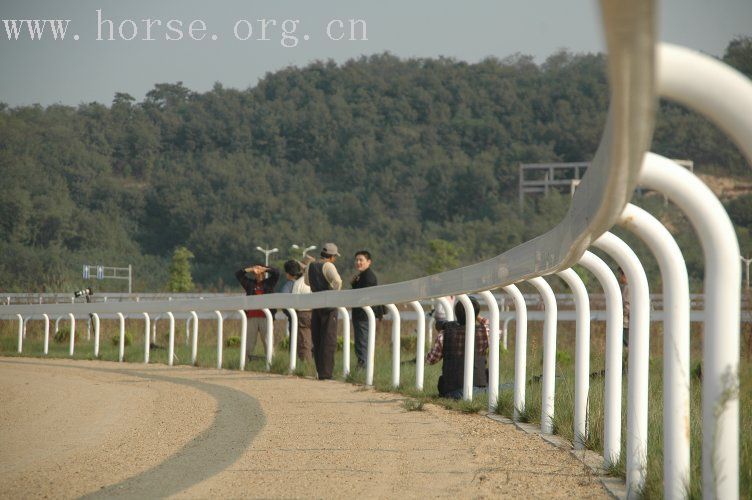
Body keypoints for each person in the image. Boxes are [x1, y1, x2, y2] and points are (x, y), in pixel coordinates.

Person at [425, 296, 489, 399]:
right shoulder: (485, 332)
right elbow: (494, 328)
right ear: (476, 313)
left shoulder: (445, 334)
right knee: (509, 386)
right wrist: (477, 316)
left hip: (452, 392)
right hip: (479, 389)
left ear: (456, 314)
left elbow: (430, 360)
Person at [304, 242, 343, 379]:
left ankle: (320, 371)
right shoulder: (328, 266)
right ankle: (327, 374)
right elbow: (338, 281)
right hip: (329, 307)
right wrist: (334, 295)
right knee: (329, 340)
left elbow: (307, 282)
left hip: (316, 305)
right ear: (331, 256)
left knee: (318, 339)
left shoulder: (310, 265)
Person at [235, 263, 280, 360]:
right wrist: (251, 269)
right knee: (249, 343)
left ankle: (271, 363)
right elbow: (238, 274)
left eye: (260, 273)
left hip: (266, 318)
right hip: (252, 317)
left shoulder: (269, 283)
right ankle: (245, 362)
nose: (258, 275)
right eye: (256, 273)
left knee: (268, 342)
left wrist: (265, 269)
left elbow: (277, 273)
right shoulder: (250, 284)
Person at [350, 250, 379, 369]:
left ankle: (363, 370)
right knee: (360, 343)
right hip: (360, 315)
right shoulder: (362, 276)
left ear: (369, 262)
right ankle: (362, 368)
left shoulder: (368, 276)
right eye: (356, 260)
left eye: (361, 260)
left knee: (362, 344)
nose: (358, 262)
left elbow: (364, 297)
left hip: (363, 316)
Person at [283, 259, 313, 362]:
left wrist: (290, 315)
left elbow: (287, 303)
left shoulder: (297, 283)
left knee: (303, 343)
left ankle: (306, 365)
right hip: (314, 313)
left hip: (301, 314)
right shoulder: (313, 280)